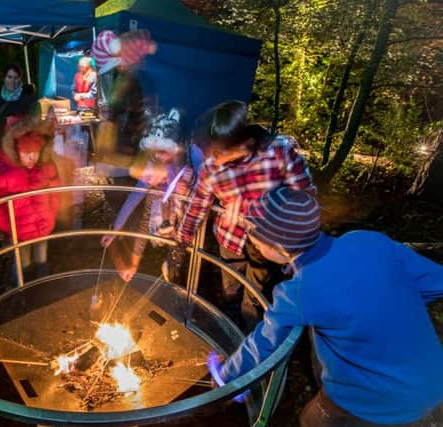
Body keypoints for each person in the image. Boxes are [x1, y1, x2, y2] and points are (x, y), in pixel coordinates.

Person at [207, 187, 443, 427]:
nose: (254, 246)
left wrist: (225, 376)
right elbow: (437, 282)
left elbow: (263, 343)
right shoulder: (367, 240)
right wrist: (387, 303)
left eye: (256, 241)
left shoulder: (299, 292)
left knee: (312, 420)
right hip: (434, 381)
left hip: (373, 404)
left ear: (276, 247)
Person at [176, 100, 315, 331]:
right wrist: (182, 239)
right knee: (231, 290)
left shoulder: (277, 150)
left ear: (239, 143)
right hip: (230, 238)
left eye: (217, 154)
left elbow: (304, 195)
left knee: (253, 294)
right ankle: (230, 334)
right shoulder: (211, 167)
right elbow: (199, 204)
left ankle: (249, 338)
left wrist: (297, 244)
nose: (212, 161)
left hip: (267, 241)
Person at [101, 109, 199, 283]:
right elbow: (135, 201)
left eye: (162, 151)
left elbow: (195, 211)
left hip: (183, 232)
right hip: (163, 223)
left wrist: (188, 191)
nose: (157, 156)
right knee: (148, 220)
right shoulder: (153, 167)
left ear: (175, 148)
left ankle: (176, 277)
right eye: (154, 152)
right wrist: (116, 230)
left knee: (177, 266)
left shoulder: (188, 172)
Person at [0, 118, 60, 280]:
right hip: (19, 231)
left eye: (35, 153)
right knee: (22, 261)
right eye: (26, 154)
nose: (32, 158)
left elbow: (56, 190)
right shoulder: (4, 173)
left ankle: (42, 282)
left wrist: (51, 212)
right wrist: (6, 224)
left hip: (43, 227)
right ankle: (20, 289)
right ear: (16, 152)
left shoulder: (46, 167)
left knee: (42, 257)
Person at [91, 30, 156, 167]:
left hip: (131, 151)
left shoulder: (134, 82)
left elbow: (135, 118)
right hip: (127, 150)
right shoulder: (123, 80)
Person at [0, 64, 37, 144]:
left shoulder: (29, 99)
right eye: (9, 77)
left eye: (16, 78)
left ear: (20, 79)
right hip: (1, 149)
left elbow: (37, 124)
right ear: (4, 78)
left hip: (25, 149)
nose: (12, 81)